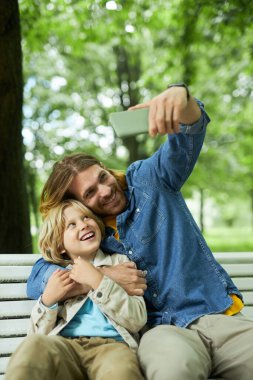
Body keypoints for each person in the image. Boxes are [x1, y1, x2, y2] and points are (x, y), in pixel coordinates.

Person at [27, 85, 253, 380]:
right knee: (172, 371)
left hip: (216, 315)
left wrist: (180, 98)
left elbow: (189, 132)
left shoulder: (149, 180)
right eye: (91, 192)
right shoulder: (90, 240)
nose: (107, 190)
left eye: (103, 177)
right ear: (77, 203)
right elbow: (38, 278)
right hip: (162, 332)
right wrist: (102, 277)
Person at [6, 200, 146, 380]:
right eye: (72, 225)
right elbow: (36, 336)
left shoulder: (121, 263)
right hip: (66, 348)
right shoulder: (58, 277)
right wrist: (48, 301)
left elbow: (137, 319)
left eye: (86, 217)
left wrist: (99, 280)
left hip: (113, 347)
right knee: (35, 348)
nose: (84, 224)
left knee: (122, 372)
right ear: (59, 246)